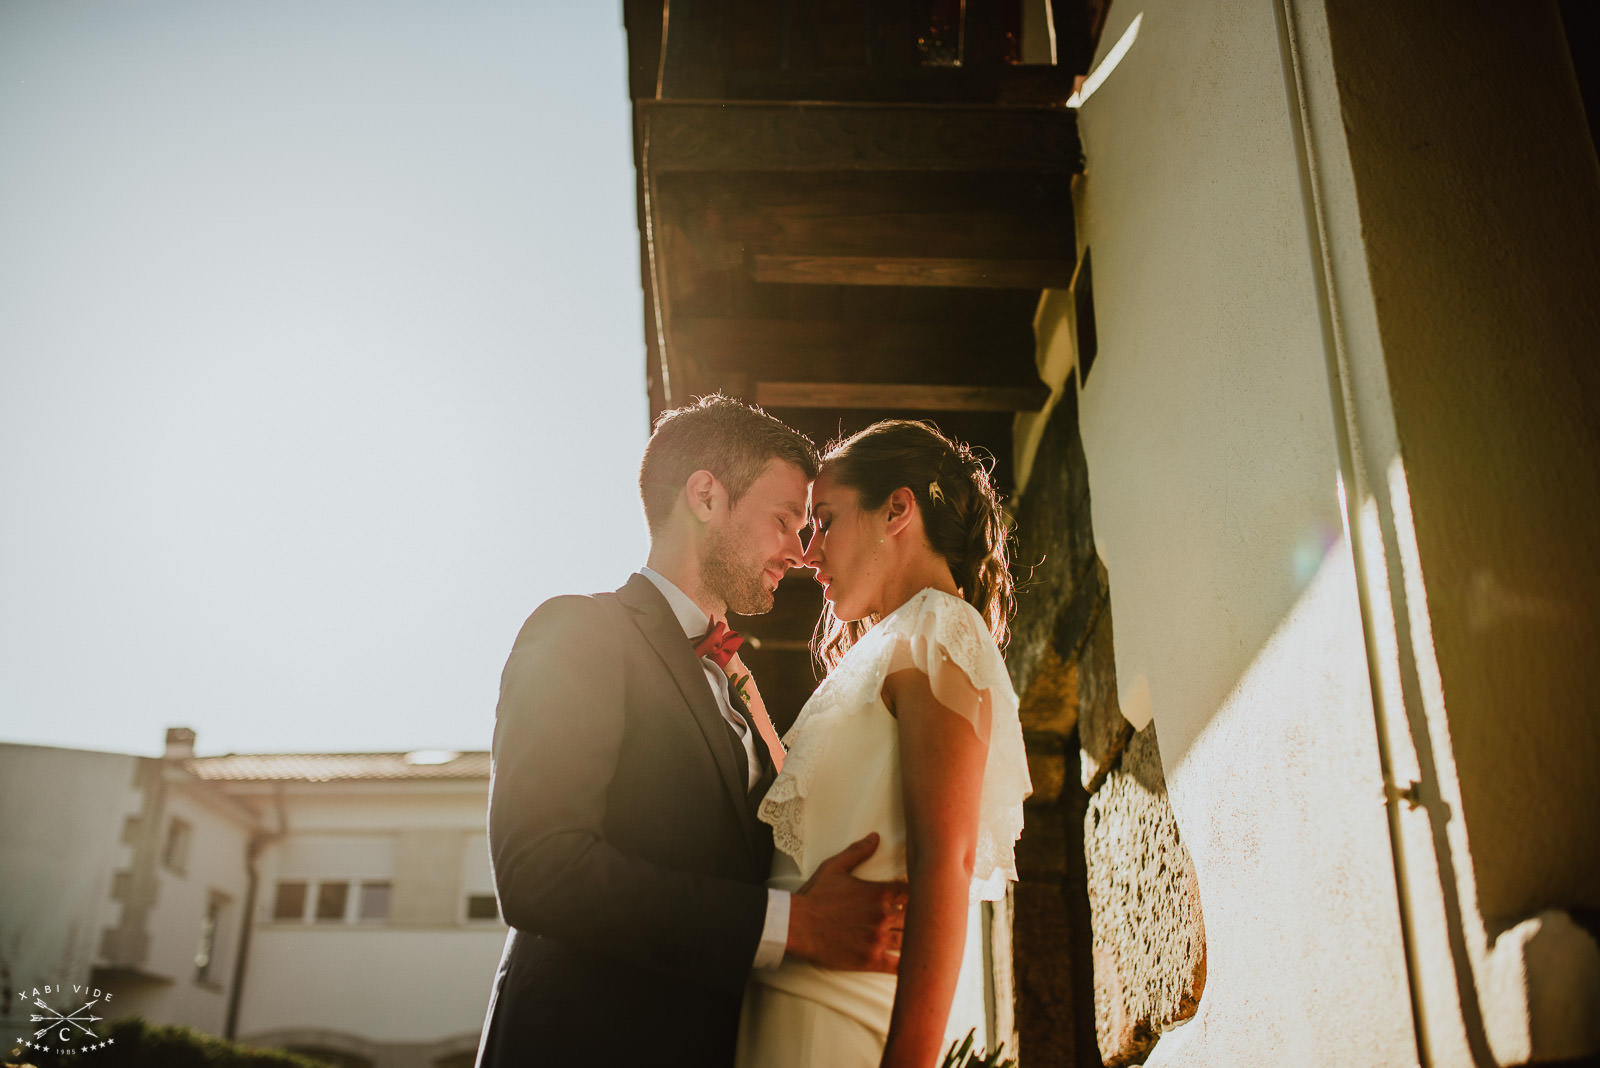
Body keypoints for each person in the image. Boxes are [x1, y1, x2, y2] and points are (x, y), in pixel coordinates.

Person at [474, 395, 908, 1068]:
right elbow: (541, 870)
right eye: (786, 520)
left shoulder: (741, 681)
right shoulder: (580, 631)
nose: (800, 552)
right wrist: (795, 925)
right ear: (706, 496)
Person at [736, 420, 1032, 1068]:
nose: (808, 553)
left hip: (832, 1027)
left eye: (826, 520)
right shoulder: (886, 647)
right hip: (782, 1012)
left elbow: (945, 863)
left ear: (896, 509)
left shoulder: (939, 629)